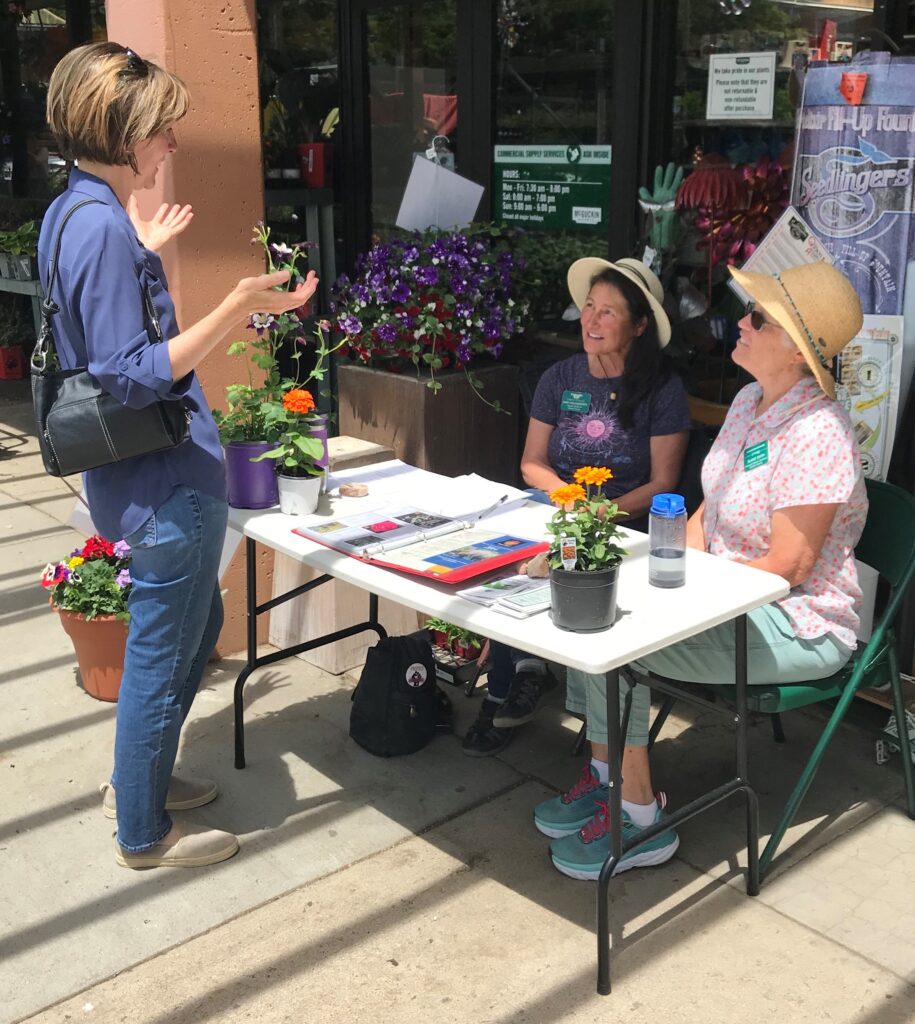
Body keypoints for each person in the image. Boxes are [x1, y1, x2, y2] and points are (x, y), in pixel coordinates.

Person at [41, 42, 318, 868]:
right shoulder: (98, 228)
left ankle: (140, 780)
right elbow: (130, 374)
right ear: (124, 131)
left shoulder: (77, 210)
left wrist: (143, 248)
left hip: (142, 480)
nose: (171, 144)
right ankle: (142, 831)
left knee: (194, 634)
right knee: (165, 661)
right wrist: (235, 304)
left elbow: (99, 328)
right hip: (163, 485)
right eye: (162, 130)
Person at [541, 262, 868, 881]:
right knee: (589, 607)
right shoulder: (749, 401)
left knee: (621, 641)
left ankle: (640, 821)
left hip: (797, 621)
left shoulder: (819, 430)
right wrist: (660, 568)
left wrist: (682, 597)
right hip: (728, 598)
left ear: (797, 353)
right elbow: (702, 513)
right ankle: (609, 777)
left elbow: (790, 565)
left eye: (758, 318)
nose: (739, 322)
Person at [463, 258, 691, 756]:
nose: (592, 320)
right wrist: (567, 501)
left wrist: (599, 514)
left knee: (554, 562)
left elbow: (662, 483)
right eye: (589, 307)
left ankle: (510, 689)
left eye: (609, 312)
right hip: (556, 507)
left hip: (621, 523)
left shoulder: (662, 390)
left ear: (639, 325)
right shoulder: (558, 378)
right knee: (504, 563)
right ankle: (518, 674)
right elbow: (532, 463)